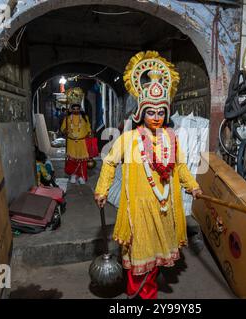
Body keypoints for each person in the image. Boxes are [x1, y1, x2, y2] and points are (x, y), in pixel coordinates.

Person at [94, 51, 203, 299]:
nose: (156, 117)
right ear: (142, 113)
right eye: (151, 113)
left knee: (155, 257)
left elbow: (181, 167)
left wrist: (193, 187)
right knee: (137, 254)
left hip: (165, 206)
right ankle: (137, 295)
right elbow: (110, 162)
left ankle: (148, 294)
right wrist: (102, 190)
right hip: (138, 209)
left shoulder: (171, 139)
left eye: (161, 113)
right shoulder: (129, 138)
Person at [60, 101, 92, 184]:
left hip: (82, 142)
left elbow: (89, 128)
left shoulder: (85, 117)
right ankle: (73, 175)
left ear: (80, 109)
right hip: (71, 142)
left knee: (83, 160)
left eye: (77, 109)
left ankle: (82, 176)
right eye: (74, 109)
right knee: (72, 160)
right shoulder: (67, 118)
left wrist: (90, 134)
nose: (76, 111)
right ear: (71, 109)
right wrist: (65, 131)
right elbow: (62, 128)